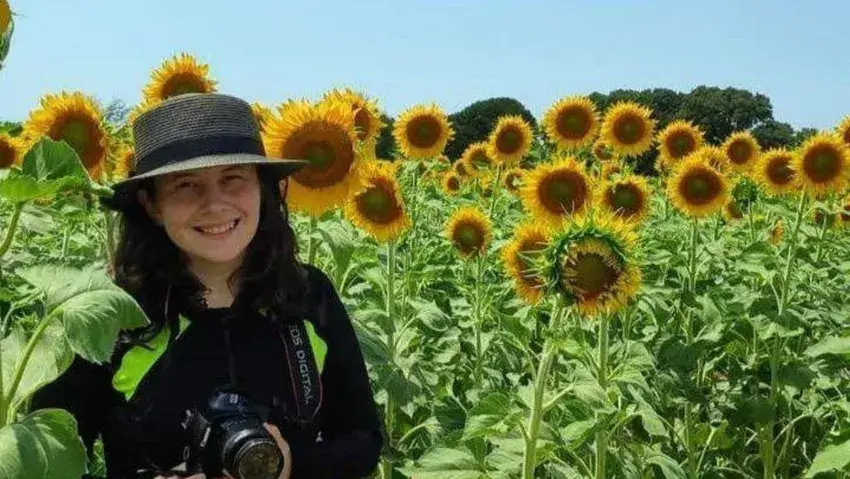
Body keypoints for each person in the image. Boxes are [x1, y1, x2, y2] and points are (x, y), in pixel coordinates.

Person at [31, 93, 384, 479]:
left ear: (261, 190)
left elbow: (362, 440)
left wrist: (292, 465)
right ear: (152, 205)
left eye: (233, 178)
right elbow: (46, 463)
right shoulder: (107, 313)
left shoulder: (307, 295)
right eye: (186, 185)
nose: (215, 204)